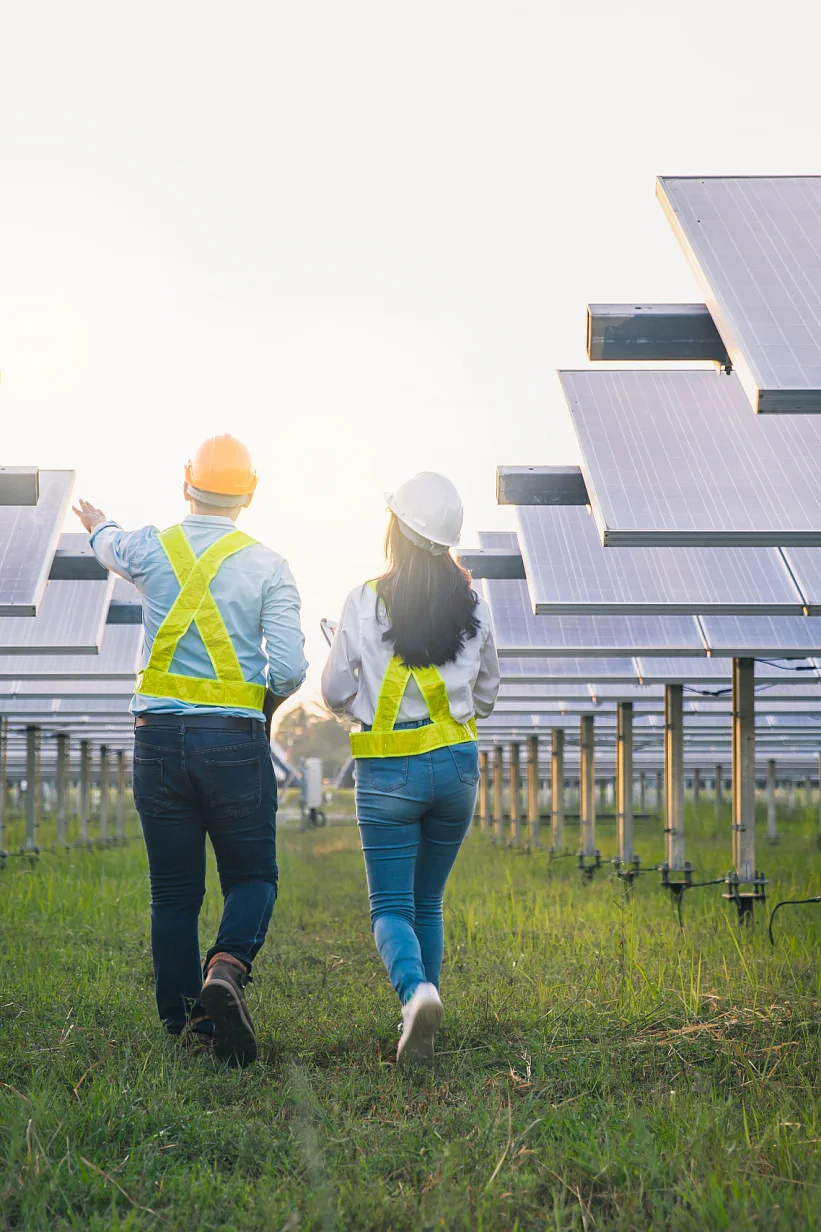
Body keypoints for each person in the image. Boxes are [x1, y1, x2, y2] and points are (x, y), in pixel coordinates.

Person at [73, 434, 307, 1066]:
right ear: (249, 494)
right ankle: (226, 969)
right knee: (253, 875)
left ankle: (185, 1025)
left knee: (173, 893)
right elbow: (288, 669)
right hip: (232, 741)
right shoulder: (269, 565)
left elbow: (110, 547)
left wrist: (99, 524)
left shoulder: (152, 546)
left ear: (186, 483)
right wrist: (253, 710)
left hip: (155, 743)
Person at [320, 472, 499, 1064]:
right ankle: (428, 1015)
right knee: (429, 901)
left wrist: (360, 701)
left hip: (389, 774)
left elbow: (333, 689)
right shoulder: (475, 600)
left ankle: (417, 994)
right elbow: (489, 693)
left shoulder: (364, 598)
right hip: (457, 769)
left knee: (390, 908)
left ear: (395, 528)